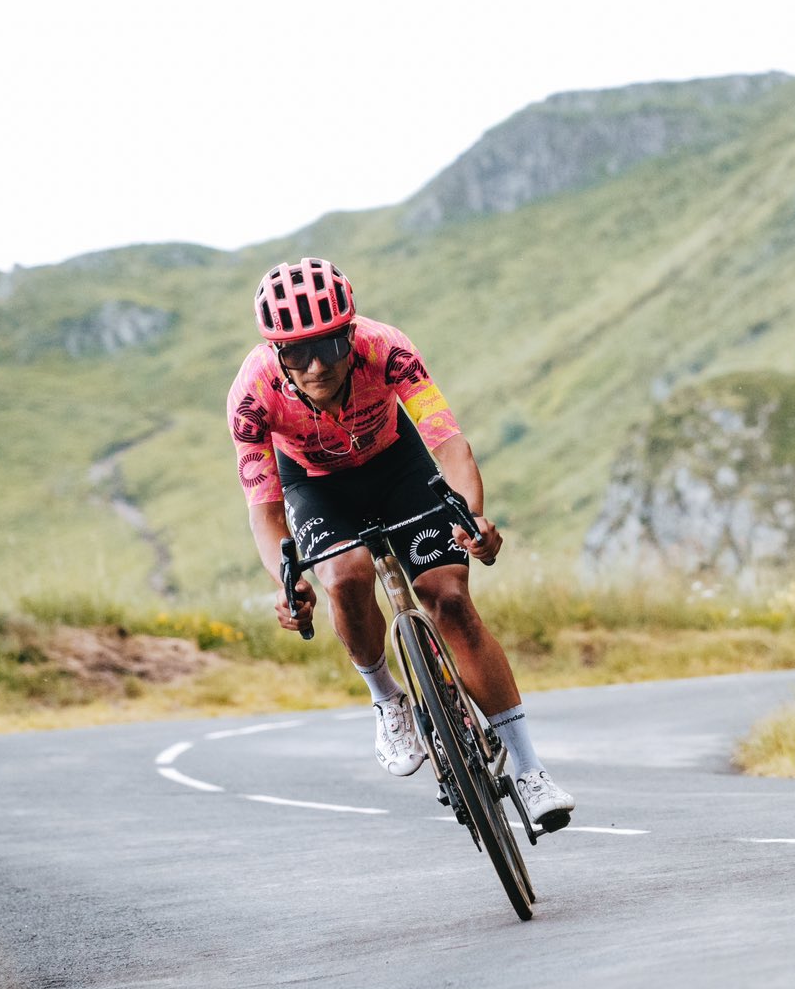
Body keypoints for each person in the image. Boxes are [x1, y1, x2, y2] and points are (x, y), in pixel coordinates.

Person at [227, 257, 574, 830]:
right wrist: (287, 584)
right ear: (275, 353)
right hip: (314, 486)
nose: (316, 366)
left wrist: (472, 519)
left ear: (350, 333)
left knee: (451, 597)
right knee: (344, 576)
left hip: (396, 463)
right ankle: (387, 697)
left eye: (330, 347)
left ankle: (530, 770)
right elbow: (264, 512)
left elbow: (450, 446)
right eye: (295, 352)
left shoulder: (386, 349)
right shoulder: (252, 395)